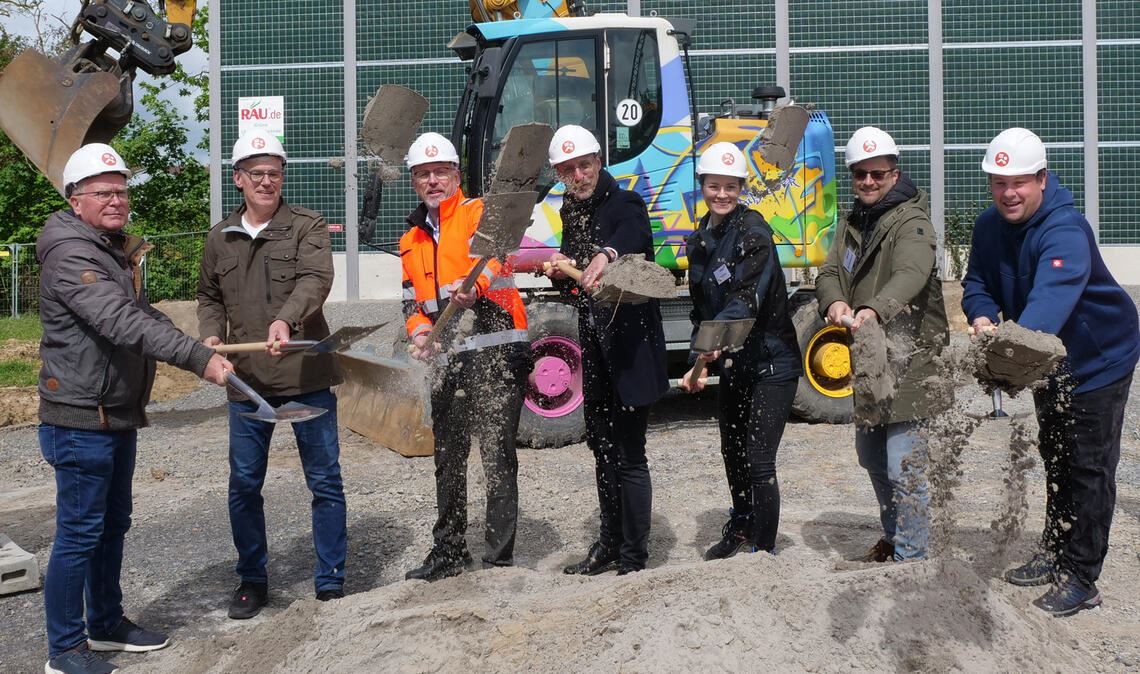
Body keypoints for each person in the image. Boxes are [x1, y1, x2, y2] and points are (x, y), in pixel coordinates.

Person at [37, 143, 232, 674]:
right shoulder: (71, 253)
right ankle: (65, 651)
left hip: (113, 409)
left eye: (121, 190)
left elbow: (141, 314)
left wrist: (198, 346)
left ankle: (104, 624)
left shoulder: (108, 248)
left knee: (112, 523)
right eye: (104, 192)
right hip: (80, 415)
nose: (117, 200)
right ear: (75, 200)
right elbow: (119, 322)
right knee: (78, 533)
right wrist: (196, 361)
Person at [962, 127, 1139, 616]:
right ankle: (1056, 550)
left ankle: (1082, 577)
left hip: (1098, 358)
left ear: (1042, 179)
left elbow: (1049, 301)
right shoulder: (988, 228)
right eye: (999, 183)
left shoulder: (1065, 229)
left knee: (1088, 465)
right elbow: (976, 282)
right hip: (1048, 364)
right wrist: (981, 315)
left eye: (1018, 182)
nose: (1008, 193)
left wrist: (1008, 356)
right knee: (1056, 455)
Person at [197, 129, 347, 618]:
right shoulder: (220, 237)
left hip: (306, 374)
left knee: (324, 481)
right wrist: (211, 336)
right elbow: (209, 298)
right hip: (246, 383)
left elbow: (315, 278)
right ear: (238, 179)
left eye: (275, 174)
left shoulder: (307, 224)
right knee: (244, 484)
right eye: (257, 174)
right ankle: (252, 580)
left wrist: (287, 318)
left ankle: (330, 581)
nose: (267, 182)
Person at [399, 132, 532, 582]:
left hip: (496, 350)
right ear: (414, 181)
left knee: (496, 456)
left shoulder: (479, 213)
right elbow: (411, 303)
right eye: (423, 174)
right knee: (448, 456)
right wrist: (421, 335)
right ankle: (449, 550)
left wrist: (476, 285)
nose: (433, 180)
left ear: (456, 175)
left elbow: (500, 258)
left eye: (440, 172)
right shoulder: (411, 238)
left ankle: (498, 560)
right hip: (449, 357)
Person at [816, 126, 949, 563]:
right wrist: (835, 302)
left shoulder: (911, 223)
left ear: (895, 173)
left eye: (878, 174)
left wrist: (873, 309)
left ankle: (911, 555)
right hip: (872, 360)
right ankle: (893, 537)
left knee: (903, 466)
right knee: (871, 455)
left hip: (911, 360)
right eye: (861, 175)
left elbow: (910, 275)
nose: (869, 182)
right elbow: (830, 271)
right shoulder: (853, 221)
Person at [545, 125, 668, 576]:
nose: (579, 175)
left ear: (599, 161)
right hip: (595, 349)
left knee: (630, 455)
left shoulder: (626, 202)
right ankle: (609, 543)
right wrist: (562, 273)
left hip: (631, 350)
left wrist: (606, 255)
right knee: (601, 449)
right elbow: (579, 275)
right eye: (569, 169)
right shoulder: (570, 210)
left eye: (585, 165)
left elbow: (631, 236)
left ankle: (634, 556)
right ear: (559, 173)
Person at [679, 142, 803, 559]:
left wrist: (712, 345)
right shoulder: (699, 239)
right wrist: (702, 347)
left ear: (740, 188)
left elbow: (746, 298)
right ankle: (742, 525)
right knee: (731, 449)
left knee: (758, 457)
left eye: (730, 187)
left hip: (772, 361)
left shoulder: (755, 234)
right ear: (703, 186)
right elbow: (702, 306)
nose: (722, 195)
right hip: (736, 362)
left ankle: (763, 549)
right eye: (714, 186)